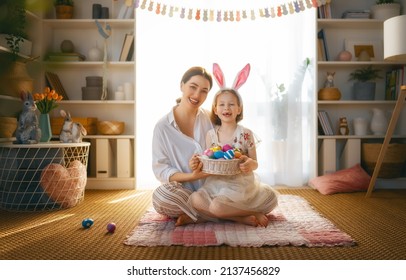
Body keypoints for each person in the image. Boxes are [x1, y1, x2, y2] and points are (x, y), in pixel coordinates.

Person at [188, 63, 278, 227]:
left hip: (239, 186)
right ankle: (242, 216)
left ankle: (210, 214)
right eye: (221, 104)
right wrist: (197, 162)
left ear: (239, 109)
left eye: (231, 104)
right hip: (215, 184)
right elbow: (210, 158)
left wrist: (249, 164)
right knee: (195, 198)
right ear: (215, 109)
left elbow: (255, 163)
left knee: (217, 206)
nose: (226, 108)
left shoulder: (245, 134)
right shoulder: (211, 135)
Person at [151, 66, 214, 226]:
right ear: (182, 85)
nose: (197, 95)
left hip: (215, 189)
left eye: (204, 91)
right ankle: (226, 214)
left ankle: (199, 214)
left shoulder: (210, 118)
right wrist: (192, 177)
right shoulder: (162, 127)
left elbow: (226, 146)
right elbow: (161, 170)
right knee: (161, 197)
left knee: (267, 198)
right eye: (193, 87)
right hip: (183, 193)